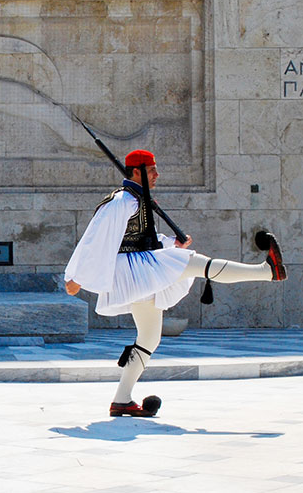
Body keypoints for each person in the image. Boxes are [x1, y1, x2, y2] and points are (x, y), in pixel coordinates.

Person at [64, 149, 286, 417]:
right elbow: (95, 240)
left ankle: (121, 400)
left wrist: (171, 244)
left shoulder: (137, 200)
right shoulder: (120, 202)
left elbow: (143, 239)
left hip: (140, 267)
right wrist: (74, 277)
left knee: (149, 338)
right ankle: (267, 271)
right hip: (133, 270)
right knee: (196, 263)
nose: (157, 175)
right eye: (152, 170)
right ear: (137, 172)